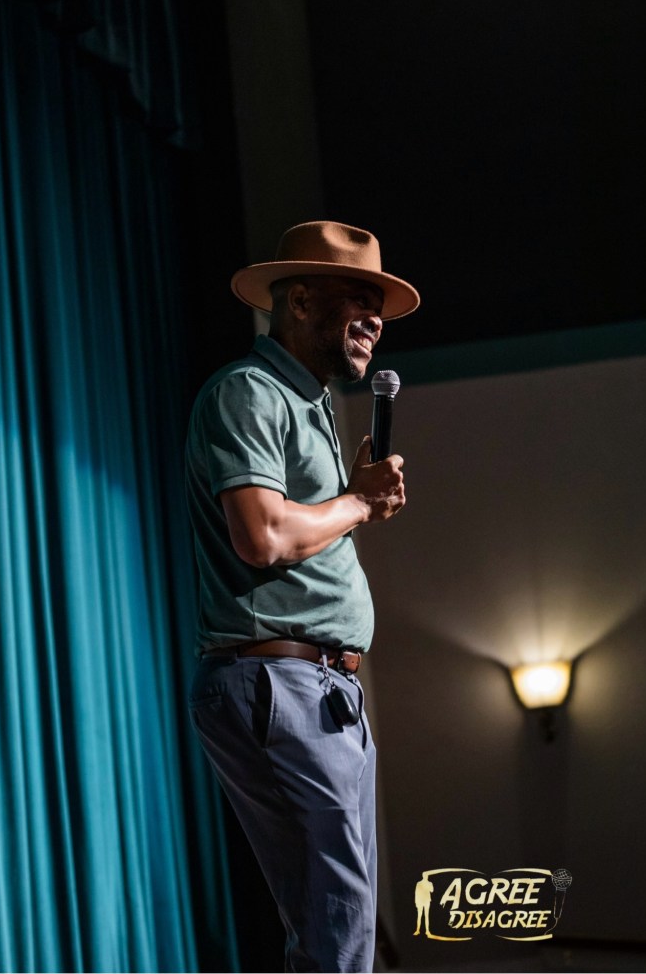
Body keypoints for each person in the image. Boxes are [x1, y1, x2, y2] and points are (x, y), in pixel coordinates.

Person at [185, 221, 420, 973]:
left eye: (380, 306)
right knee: (339, 923)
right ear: (299, 301)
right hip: (281, 682)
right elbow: (261, 536)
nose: (376, 320)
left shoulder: (309, 403)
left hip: (316, 689)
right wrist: (356, 501)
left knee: (336, 926)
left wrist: (354, 502)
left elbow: (301, 529)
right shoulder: (248, 392)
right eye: (359, 298)